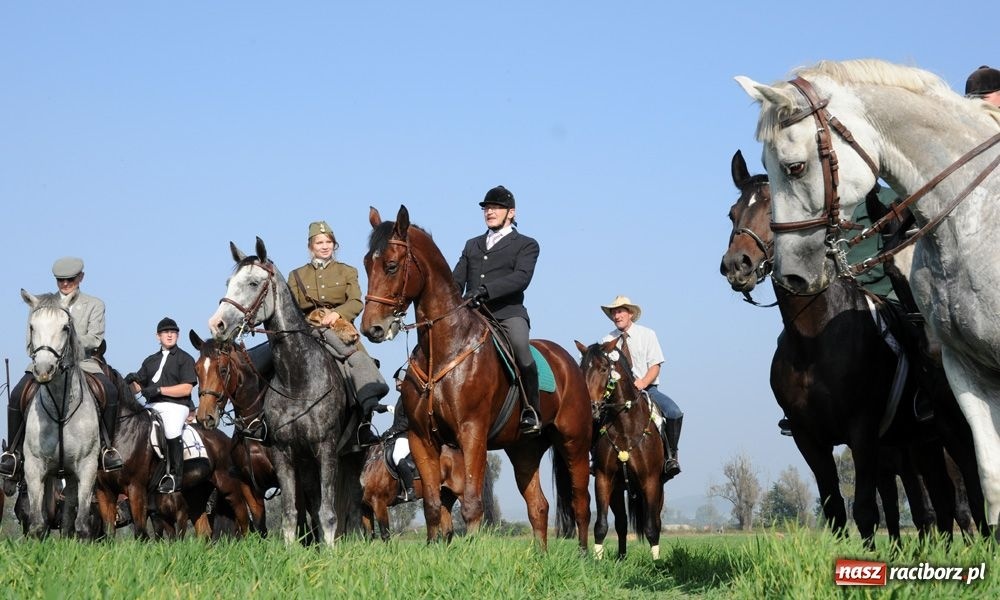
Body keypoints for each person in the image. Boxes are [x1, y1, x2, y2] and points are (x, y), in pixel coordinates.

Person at [1, 257, 123, 479]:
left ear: (81, 277)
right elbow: (30, 343)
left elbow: (95, 339)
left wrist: (69, 346)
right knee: (17, 395)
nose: (65, 284)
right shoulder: (40, 304)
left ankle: (108, 448)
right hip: (45, 361)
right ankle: (13, 453)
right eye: (60, 280)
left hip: (83, 362)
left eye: (70, 279)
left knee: (111, 392)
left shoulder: (95, 304)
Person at [289, 220, 389, 448]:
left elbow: (356, 301)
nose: (325, 246)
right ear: (310, 247)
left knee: (358, 362)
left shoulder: (347, 271)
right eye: (319, 242)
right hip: (309, 332)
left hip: (340, 331)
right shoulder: (296, 276)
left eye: (328, 242)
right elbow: (292, 308)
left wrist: (336, 314)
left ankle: (364, 423)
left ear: (335, 245)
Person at [453, 185, 542, 435]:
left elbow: (521, 278)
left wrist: (485, 290)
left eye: (495, 208)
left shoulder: (526, 244)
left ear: (511, 213)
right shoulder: (472, 244)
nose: (489, 212)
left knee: (521, 349)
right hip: (472, 314)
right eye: (486, 208)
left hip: (507, 313)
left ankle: (531, 410)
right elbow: (456, 280)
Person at [600, 295, 682, 480]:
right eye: (613, 312)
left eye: (620, 311)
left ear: (630, 313)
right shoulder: (607, 340)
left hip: (647, 390)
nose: (616, 316)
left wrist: (643, 382)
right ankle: (595, 459)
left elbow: (655, 365)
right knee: (594, 416)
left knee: (674, 412)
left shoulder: (647, 334)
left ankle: (671, 457)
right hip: (616, 396)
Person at [125, 317, 197, 494]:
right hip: (152, 406)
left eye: (173, 332)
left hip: (177, 405)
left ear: (178, 335)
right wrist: (127, 383)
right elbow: (138, 387)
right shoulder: (150, 361)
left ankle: (174, 476)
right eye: (166, 332)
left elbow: (186, 388)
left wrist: (160, 390)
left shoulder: (185, 358)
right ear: (158, 336)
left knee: (171, 430)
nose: (169, 335)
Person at [383, 365, 417, 501]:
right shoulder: (401, 398)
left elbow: (407, 421)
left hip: (407, 435)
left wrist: (392, 431)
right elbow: (398, 421)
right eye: (396, 380)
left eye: (398, 379)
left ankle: (410, 490)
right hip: (399, 434)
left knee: (397, 456)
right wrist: (388, 432)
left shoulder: (409, 397)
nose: (396, 382)